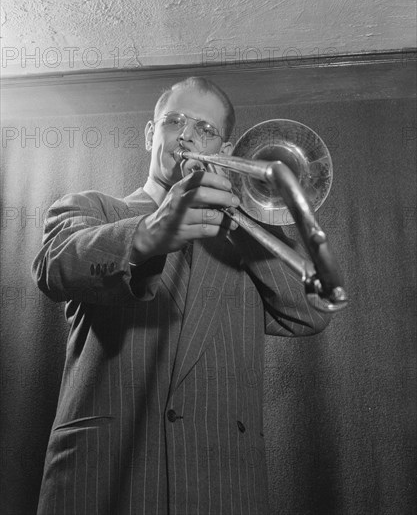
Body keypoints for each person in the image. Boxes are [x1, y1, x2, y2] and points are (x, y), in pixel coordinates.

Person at [32, 76, 331, 515]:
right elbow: (54, 266)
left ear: (226, 153)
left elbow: (313, 311)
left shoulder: (244, 242)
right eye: (174, 121)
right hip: (104, 482)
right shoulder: (93, 208)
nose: (187, 135)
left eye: (206, 130)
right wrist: (147, 235)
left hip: (222, 487)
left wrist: (242, 211)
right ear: (152, 134)